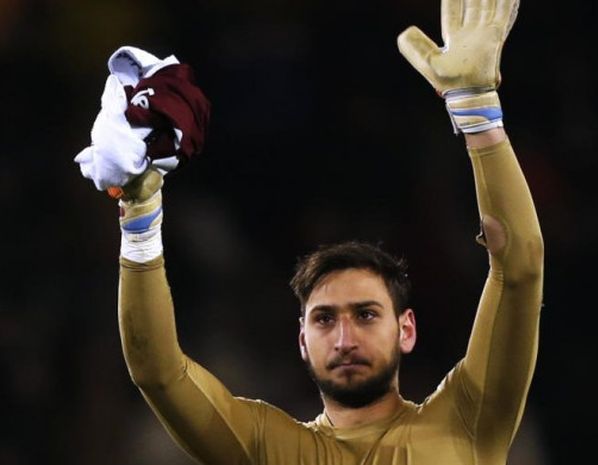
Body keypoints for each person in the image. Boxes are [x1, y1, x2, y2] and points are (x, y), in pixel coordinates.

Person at [91, 1, 543, 463]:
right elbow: (157, 372)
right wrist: (140, 212)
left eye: (366, 315)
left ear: (406, 329)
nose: (345, 339)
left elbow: (520, 267)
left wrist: (479, 117)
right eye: (325, 318)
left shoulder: (466, 421)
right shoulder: (269, 448)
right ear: (303, 341)